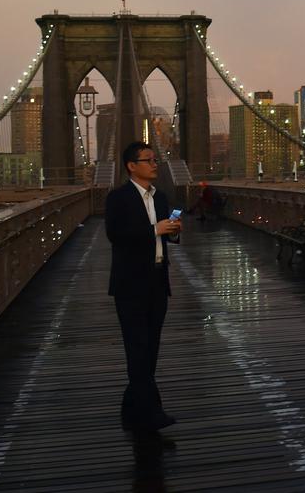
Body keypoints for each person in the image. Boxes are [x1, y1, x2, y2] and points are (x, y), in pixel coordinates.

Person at [105, 141, 182, 434]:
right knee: (137, 348)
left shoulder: (161, 198)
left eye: (155, 160)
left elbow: (165, 239)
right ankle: (151, 411)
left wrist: (173, 234)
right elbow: (116, 235)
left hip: (158, 281)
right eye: (148, 160)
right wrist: (154, 230)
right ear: (131, 166)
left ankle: (131, 403)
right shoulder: (118, 198)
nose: (154, 164)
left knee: (150, 349)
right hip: (130, 284)